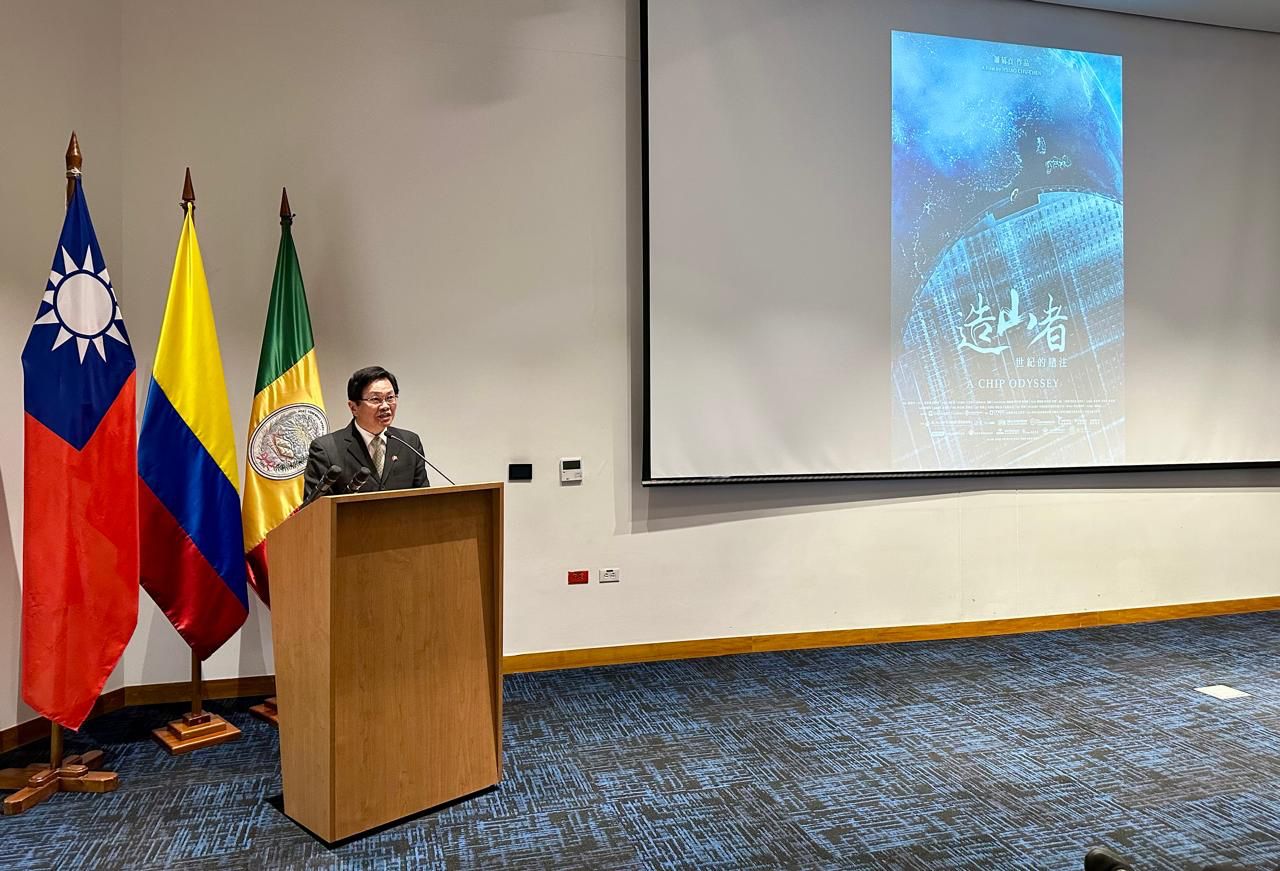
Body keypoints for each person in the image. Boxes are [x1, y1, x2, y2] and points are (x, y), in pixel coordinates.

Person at [303, 365, 429, 499]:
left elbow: (425, 500)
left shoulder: (409, 442)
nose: (385, 406)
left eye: (390, 398)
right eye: (375, 399)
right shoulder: (326, 449)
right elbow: (316, 507)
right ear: (353, 407)